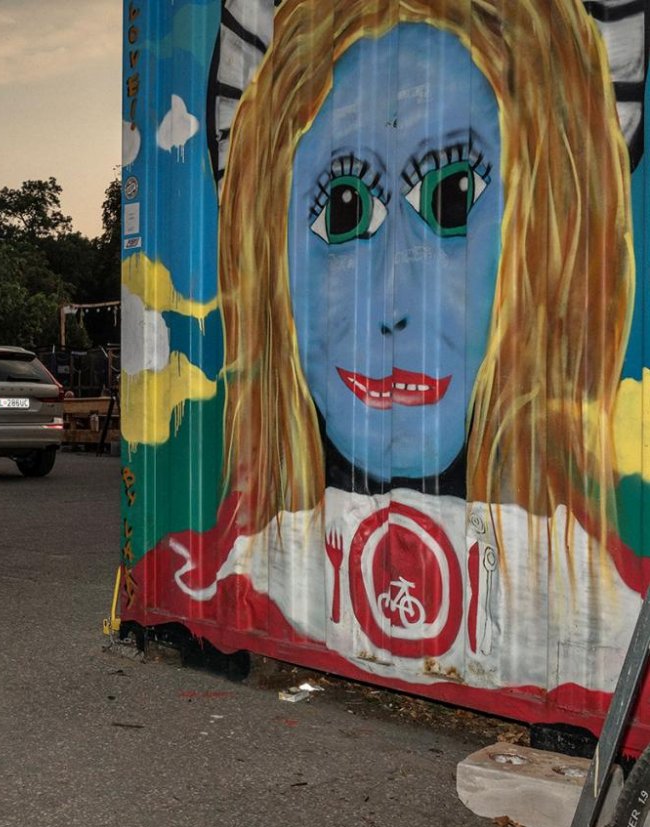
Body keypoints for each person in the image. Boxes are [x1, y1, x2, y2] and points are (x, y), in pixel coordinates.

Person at [125, 0, 648, 704]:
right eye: (341, 209)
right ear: (268, 251)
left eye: (454, 196)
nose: (395, 301)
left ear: (546, 239)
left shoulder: (615, 622)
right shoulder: (202, 576)